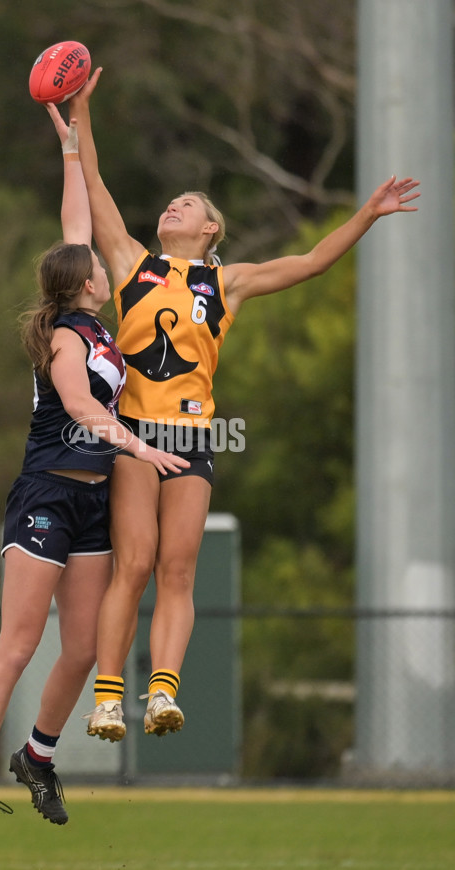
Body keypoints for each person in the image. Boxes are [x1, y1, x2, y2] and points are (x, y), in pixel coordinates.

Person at [68, 69, 421, 743]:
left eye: (186, 205)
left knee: (178, 569)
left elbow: (314, 261)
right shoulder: (130, 265)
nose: (171, 208)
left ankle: (163, 694)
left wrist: (367, 215)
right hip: (135, 433)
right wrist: (80, 116)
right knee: (134, 563)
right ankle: (109, 698)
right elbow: (96, 188)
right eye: (168, 204)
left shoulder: (226, 283)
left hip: (194, 438)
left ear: (212, 227)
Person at [0, 106, 189, 850]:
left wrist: (73, 146)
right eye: (91, 268)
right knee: (17, 646)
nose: (100, 268)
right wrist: (138, 447)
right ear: (81, 284)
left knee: (81, 648)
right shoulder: (63, 336)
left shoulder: (96, 321)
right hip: (48, 494)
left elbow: (75, 217)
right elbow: (82, 405)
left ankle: (38, 757)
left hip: (90, 506)